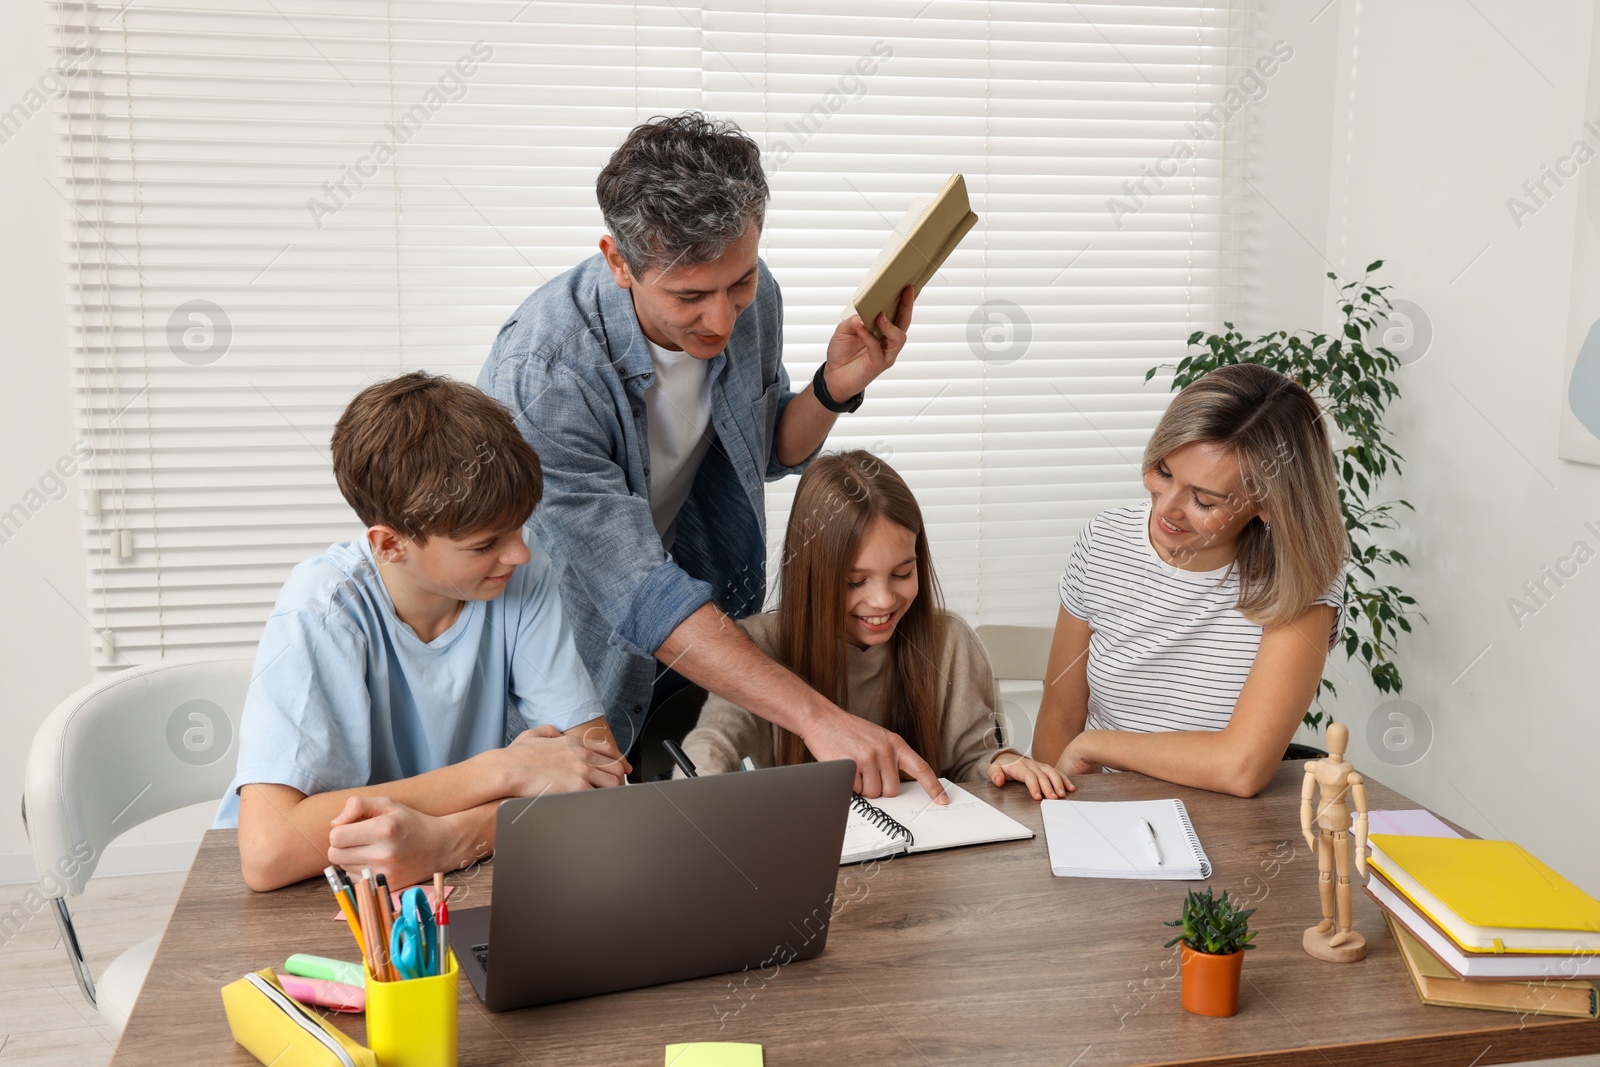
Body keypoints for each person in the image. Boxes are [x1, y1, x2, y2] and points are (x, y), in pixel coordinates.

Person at [477, 111, 944, 802]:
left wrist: (832, 387)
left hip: (699, 639)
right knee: (579, 866)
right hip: (580, 660)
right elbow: (636, 592)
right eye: (689, 296)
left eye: (739, 283)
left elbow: (763, 452)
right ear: (617, 261)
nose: (723, 321)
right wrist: (816, 715)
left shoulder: (755, 297)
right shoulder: (546, 376)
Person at [216, 373, 629, 892]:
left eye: (521, 527)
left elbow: (599, 779)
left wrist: (454, 837)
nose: (519, 553)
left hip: (442, 880)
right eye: (484, 544)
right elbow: (269, 851)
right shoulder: (321, 608)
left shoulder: (520, 573)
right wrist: (504, 772)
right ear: (390, 544)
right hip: (316, 890)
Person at [1032, 363, 1348, 797]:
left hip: (1228, 827)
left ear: (1268, 505)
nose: (1167, 509)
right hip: (1105, 812)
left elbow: (1242, 768)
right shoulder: (1103, 542)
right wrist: (1058, 814)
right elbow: (1059, 718)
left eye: (1203, 499)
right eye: (1163, 473)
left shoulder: (1300, 578)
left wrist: (1096, 744)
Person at [681, 451, 1067, 799]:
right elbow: (713, 745)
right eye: (855, 582)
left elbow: (974, 760)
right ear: (811, 575)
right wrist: (698, 797)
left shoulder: (951, 642)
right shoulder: (759, 646)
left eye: (902, 573)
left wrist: (1003, 765)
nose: (883, 600)